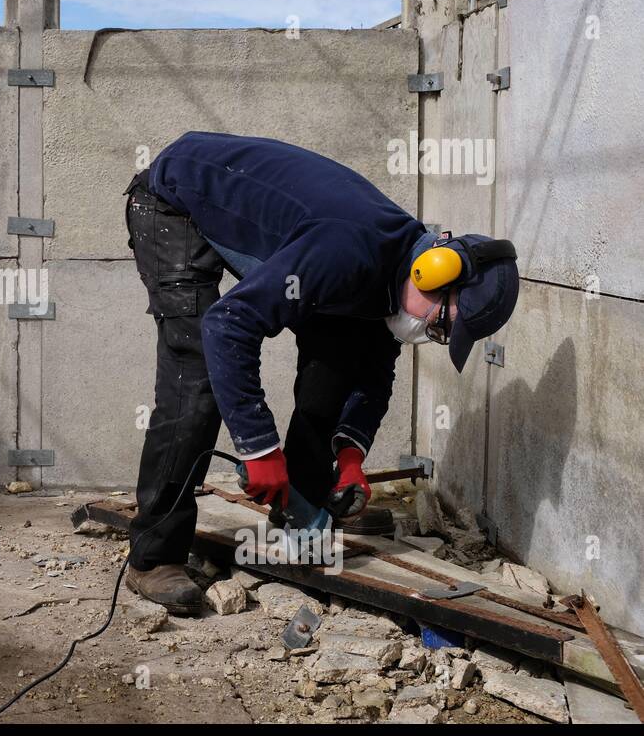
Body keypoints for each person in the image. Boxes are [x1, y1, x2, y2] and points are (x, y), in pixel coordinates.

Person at [123, 132, 519, 614]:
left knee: (336, 360)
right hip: (174, 200)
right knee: (197, 375)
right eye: (441, 324)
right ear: (432, 272)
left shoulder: (389, 276)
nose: (429, 334)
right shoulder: (348, 252)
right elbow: (229, 325)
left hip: (271, 223)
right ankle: (154, 556)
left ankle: (297, 514)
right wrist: (258, 448)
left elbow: (371, 369)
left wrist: (351, 454)